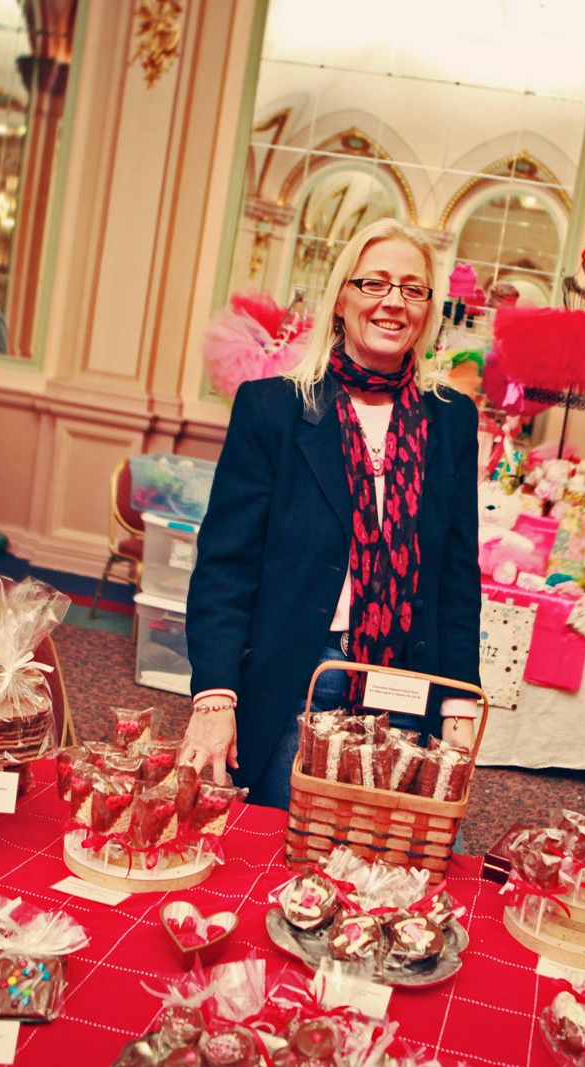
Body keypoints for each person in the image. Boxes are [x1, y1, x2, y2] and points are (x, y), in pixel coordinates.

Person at [183, 218, 482, 808]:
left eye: (412, 288)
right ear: (341, 298)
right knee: (282, 847)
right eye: (374, 283)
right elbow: (225, 566)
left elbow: (456, 573)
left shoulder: (451, 419)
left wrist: (459, 706)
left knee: (393, 854)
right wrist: (214, 696)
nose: (393, 301)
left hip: (408, 686)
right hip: (302, 679)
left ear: (428, 308)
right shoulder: (272, 409)